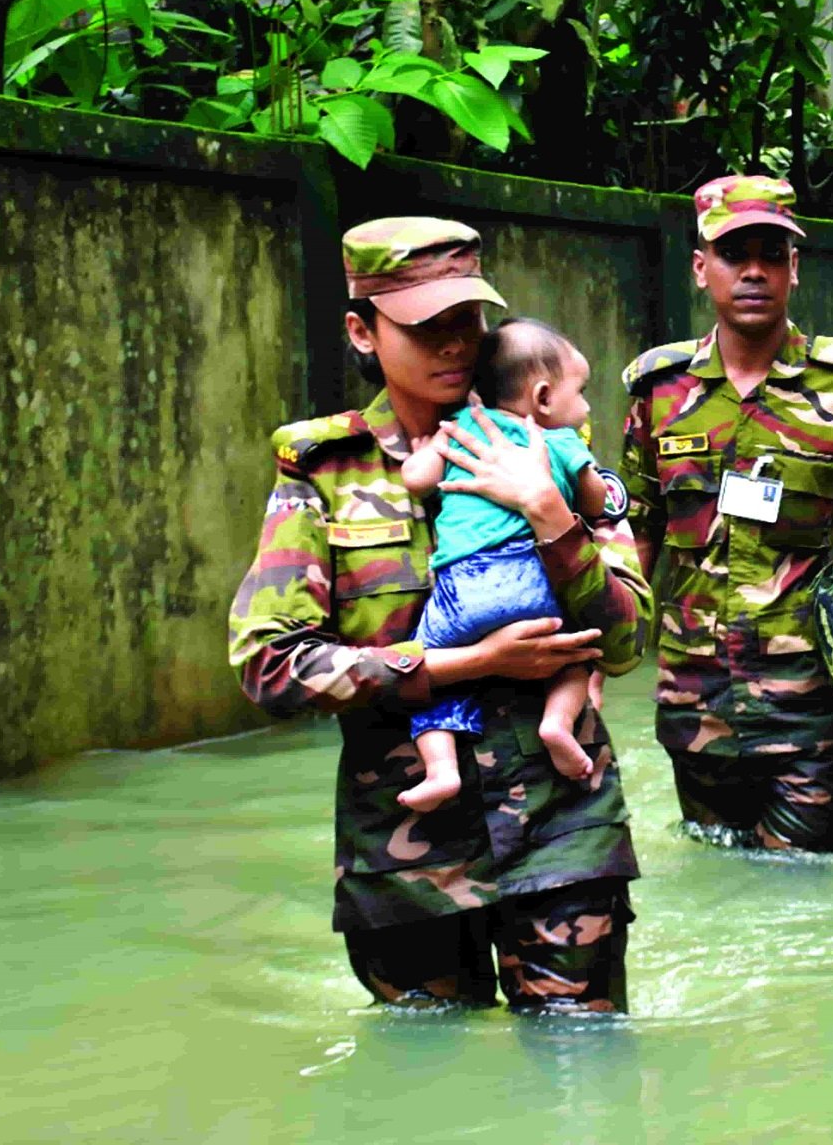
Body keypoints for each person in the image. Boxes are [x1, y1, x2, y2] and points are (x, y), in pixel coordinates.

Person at [229, 217, 649, 1012]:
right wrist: (461, 667)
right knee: (422, 1091)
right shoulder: (323, 471)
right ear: (362, 331)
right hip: (405, 850)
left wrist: (553, 517)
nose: (456, 343)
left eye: (468, 318)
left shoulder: (551, 437)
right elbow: (268, 663)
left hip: (564, 828)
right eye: (426, 325)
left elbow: (629, 639)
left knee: (585, 1079)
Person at [618, 175, 833, 853]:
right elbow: (637, 534)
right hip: (694, 700)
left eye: (772, 254)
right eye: (733, 253)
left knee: (805, 890)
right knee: (719, 880)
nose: (753, 271)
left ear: (794, 269)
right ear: (700, 267)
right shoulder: (658, 392)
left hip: (813, 703)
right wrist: (599, 664)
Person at [397, 319, 611, 812]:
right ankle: (557, 724)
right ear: (541, 396)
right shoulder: (558, 437)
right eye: (580, 392)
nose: (585, 406)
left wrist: (425, 452)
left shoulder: (462, 428)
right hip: (530, 578)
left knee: (425, 669)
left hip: (461, 588)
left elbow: (415, 479)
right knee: (578, 652)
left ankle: (441, 769)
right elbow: (595, 500)